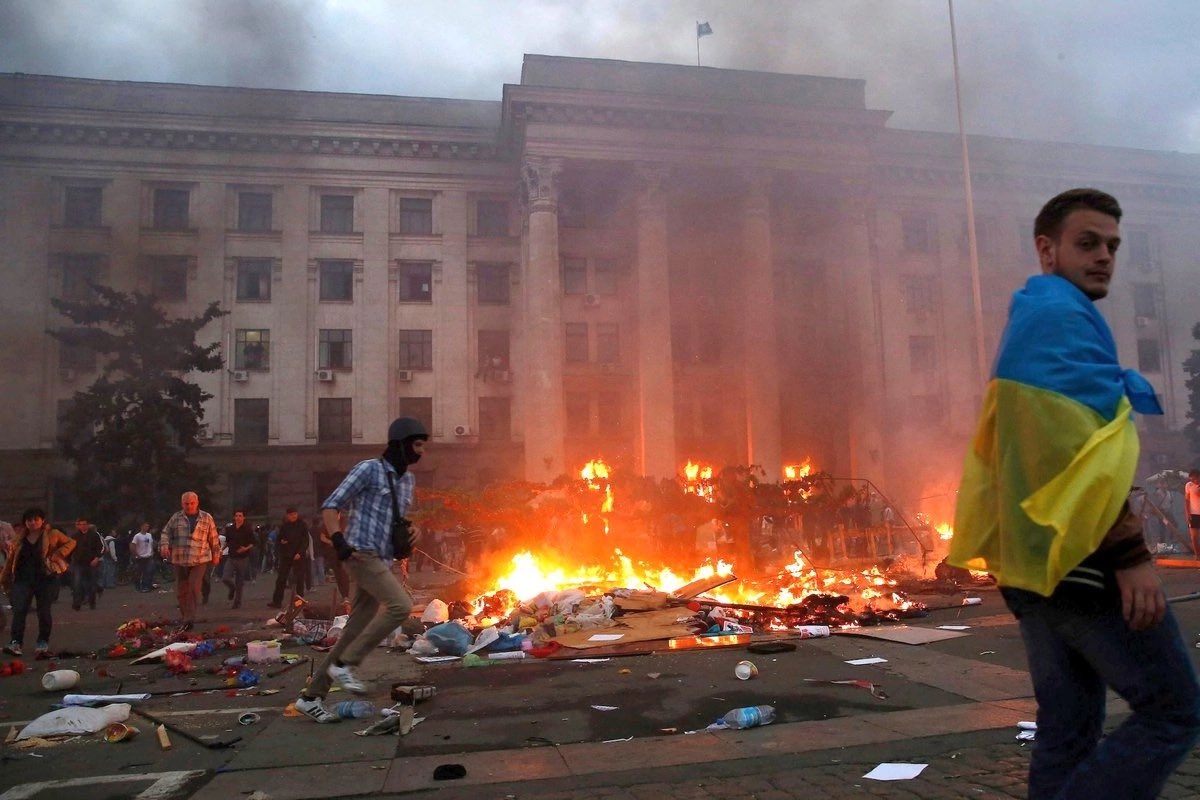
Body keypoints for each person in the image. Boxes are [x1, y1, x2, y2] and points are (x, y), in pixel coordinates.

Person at [949, 188, 1200, 799]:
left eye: (1112, 245)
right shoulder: (1061, 316)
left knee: (1068, 729)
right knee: (1174, 712)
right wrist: (1132, 556)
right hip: (1079, 560)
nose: (1105, 257)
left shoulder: (1035, 315)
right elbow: (1075, 452)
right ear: (1047, 249)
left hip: (1033, 561)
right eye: (1087, 243)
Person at [294, 416, 428, 723]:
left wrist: (413, 532)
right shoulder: (368, 469)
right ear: (401, 444)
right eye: (417, 445)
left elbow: (399, 519)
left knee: (352, 630)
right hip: (359, 554)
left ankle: (311, 696)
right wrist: (339, 540)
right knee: (401, 606)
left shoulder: (406, 481)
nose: (421, 452)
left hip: (381, 559)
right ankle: (348, 664)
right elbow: (331, 505)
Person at [2, 508, 75, 656]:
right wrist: (4, 578)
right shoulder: (18, 539)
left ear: (42, 521)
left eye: (36, 519)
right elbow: (11, 561)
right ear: (25, 523)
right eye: (29, 520)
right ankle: (16, 643)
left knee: (43, 611)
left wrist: (58, 554)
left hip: (46, 578)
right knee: (19, 610)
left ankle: (42, 642)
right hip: (23, 579)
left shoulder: (52, 534)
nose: (33, 523)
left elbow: (71, 542)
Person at [159, 491, 221, 631]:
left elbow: (214, 538)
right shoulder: (176, 518)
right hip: (179, 558)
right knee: (181, 590)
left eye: (192, 503)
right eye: (186, 504)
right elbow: (165, 533)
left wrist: (216, 554)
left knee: (193, 587)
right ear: (182, 504)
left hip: (199, 558)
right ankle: (185, 616)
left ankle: (189, 619)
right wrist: (164, 545)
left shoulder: (206, 517)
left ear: (197, 502)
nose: (189, 506)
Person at [270, 507, 310, 608]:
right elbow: (279, 539)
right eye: (291, 514)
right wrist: (282, 542)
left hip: (299, 555)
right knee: (281, 579)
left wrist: (300, 553)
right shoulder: (284, 526)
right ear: (287, 516)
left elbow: (305, 541)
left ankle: (300, 601)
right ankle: (277, 601)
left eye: (294, 514)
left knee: (300, 579)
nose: (293, 516)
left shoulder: (302, 525)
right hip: (286, 555)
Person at [222, 510, 256, 608]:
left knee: (240, 581)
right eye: (236, 515)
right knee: (225, 577)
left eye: (240, 516)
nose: (238, 517)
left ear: (243, 518)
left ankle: (237, 602)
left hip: (242, 558)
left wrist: (245, 548)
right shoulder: (230, 529)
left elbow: (253, 542)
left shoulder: (247, 529)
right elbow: (228, 542)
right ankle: (232, 588)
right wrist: (221, 550)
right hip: (231, 556)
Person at [69, 516, 103, 610]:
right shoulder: (74, 536)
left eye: (84, 524)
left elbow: (101, 547)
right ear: (78, 526)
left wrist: (96, 558)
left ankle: (92, 602)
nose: (83, 526)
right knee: (77, 583)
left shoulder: (94, 535)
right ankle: (77, 603)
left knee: (91, 584)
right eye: (81, 524)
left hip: (91, 562)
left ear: (88, 525)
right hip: (78, 563)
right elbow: (70, 549)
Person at [130, 522, 155, 592]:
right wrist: (136, 554)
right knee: (139, 572)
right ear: (141, 527)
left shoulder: (149, 535)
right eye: (145, 526)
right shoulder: (137, 536)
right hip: (140, 557)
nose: (147, 528)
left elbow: (151, 543)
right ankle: (138, 586)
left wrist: (152, 551)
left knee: (148, 572)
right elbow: (133, 545)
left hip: (148, 556)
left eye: (148, 526)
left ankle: (146, 586)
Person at [1185, 469, 1200, 557]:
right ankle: (1197, 555)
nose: (1193, 481)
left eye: (1195, 479)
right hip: (1193, 514)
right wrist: (1187, 513)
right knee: (1194, 537)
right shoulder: (1188, 485)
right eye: (1191, 479)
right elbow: (1187, 500)